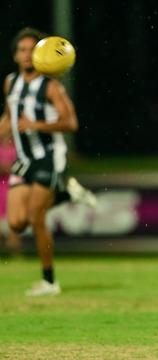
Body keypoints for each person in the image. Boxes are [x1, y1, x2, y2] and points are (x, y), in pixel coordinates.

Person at [0, 27, 96, 296]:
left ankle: (49, 281)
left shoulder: (51, 86)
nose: (27, 55)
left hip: (48, 158)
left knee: (36, 216)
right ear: (16, 56)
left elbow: (71, 122)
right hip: (24, 159)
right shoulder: (11, 83)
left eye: (32, 49)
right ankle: (67, 193)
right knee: (17, 224)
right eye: (22, 50)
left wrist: (36, 125)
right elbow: (10, 118)